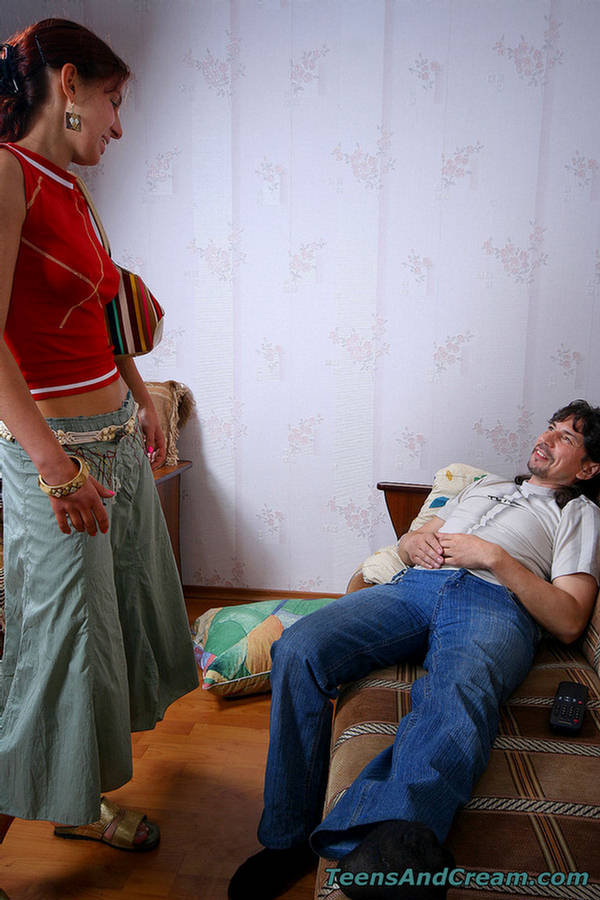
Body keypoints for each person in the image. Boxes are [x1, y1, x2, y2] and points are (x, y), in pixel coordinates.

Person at [229, 400, 600, 900]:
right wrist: (410, 546)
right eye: (550, 428)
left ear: (588, 468)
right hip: (414, 587)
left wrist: (494, 557)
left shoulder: (578, 513)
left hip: (495, 604)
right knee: (298, 648)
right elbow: (415, 539)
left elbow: (570, 619)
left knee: (458, 691)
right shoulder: (483, 485)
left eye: (566, 438)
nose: (547, 438)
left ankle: (392, 853)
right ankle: (286, 842)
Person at [0, 16, 198, 884]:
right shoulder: (8, 174)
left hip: (115, 438)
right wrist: (54, 467)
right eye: (115, 100)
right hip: (61, 455)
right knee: (55, 654)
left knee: (108, 633)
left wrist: (141, 393)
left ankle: (79, 806)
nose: (119, 125)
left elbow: (103, 310)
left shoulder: (73, 191)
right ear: (69, 85)